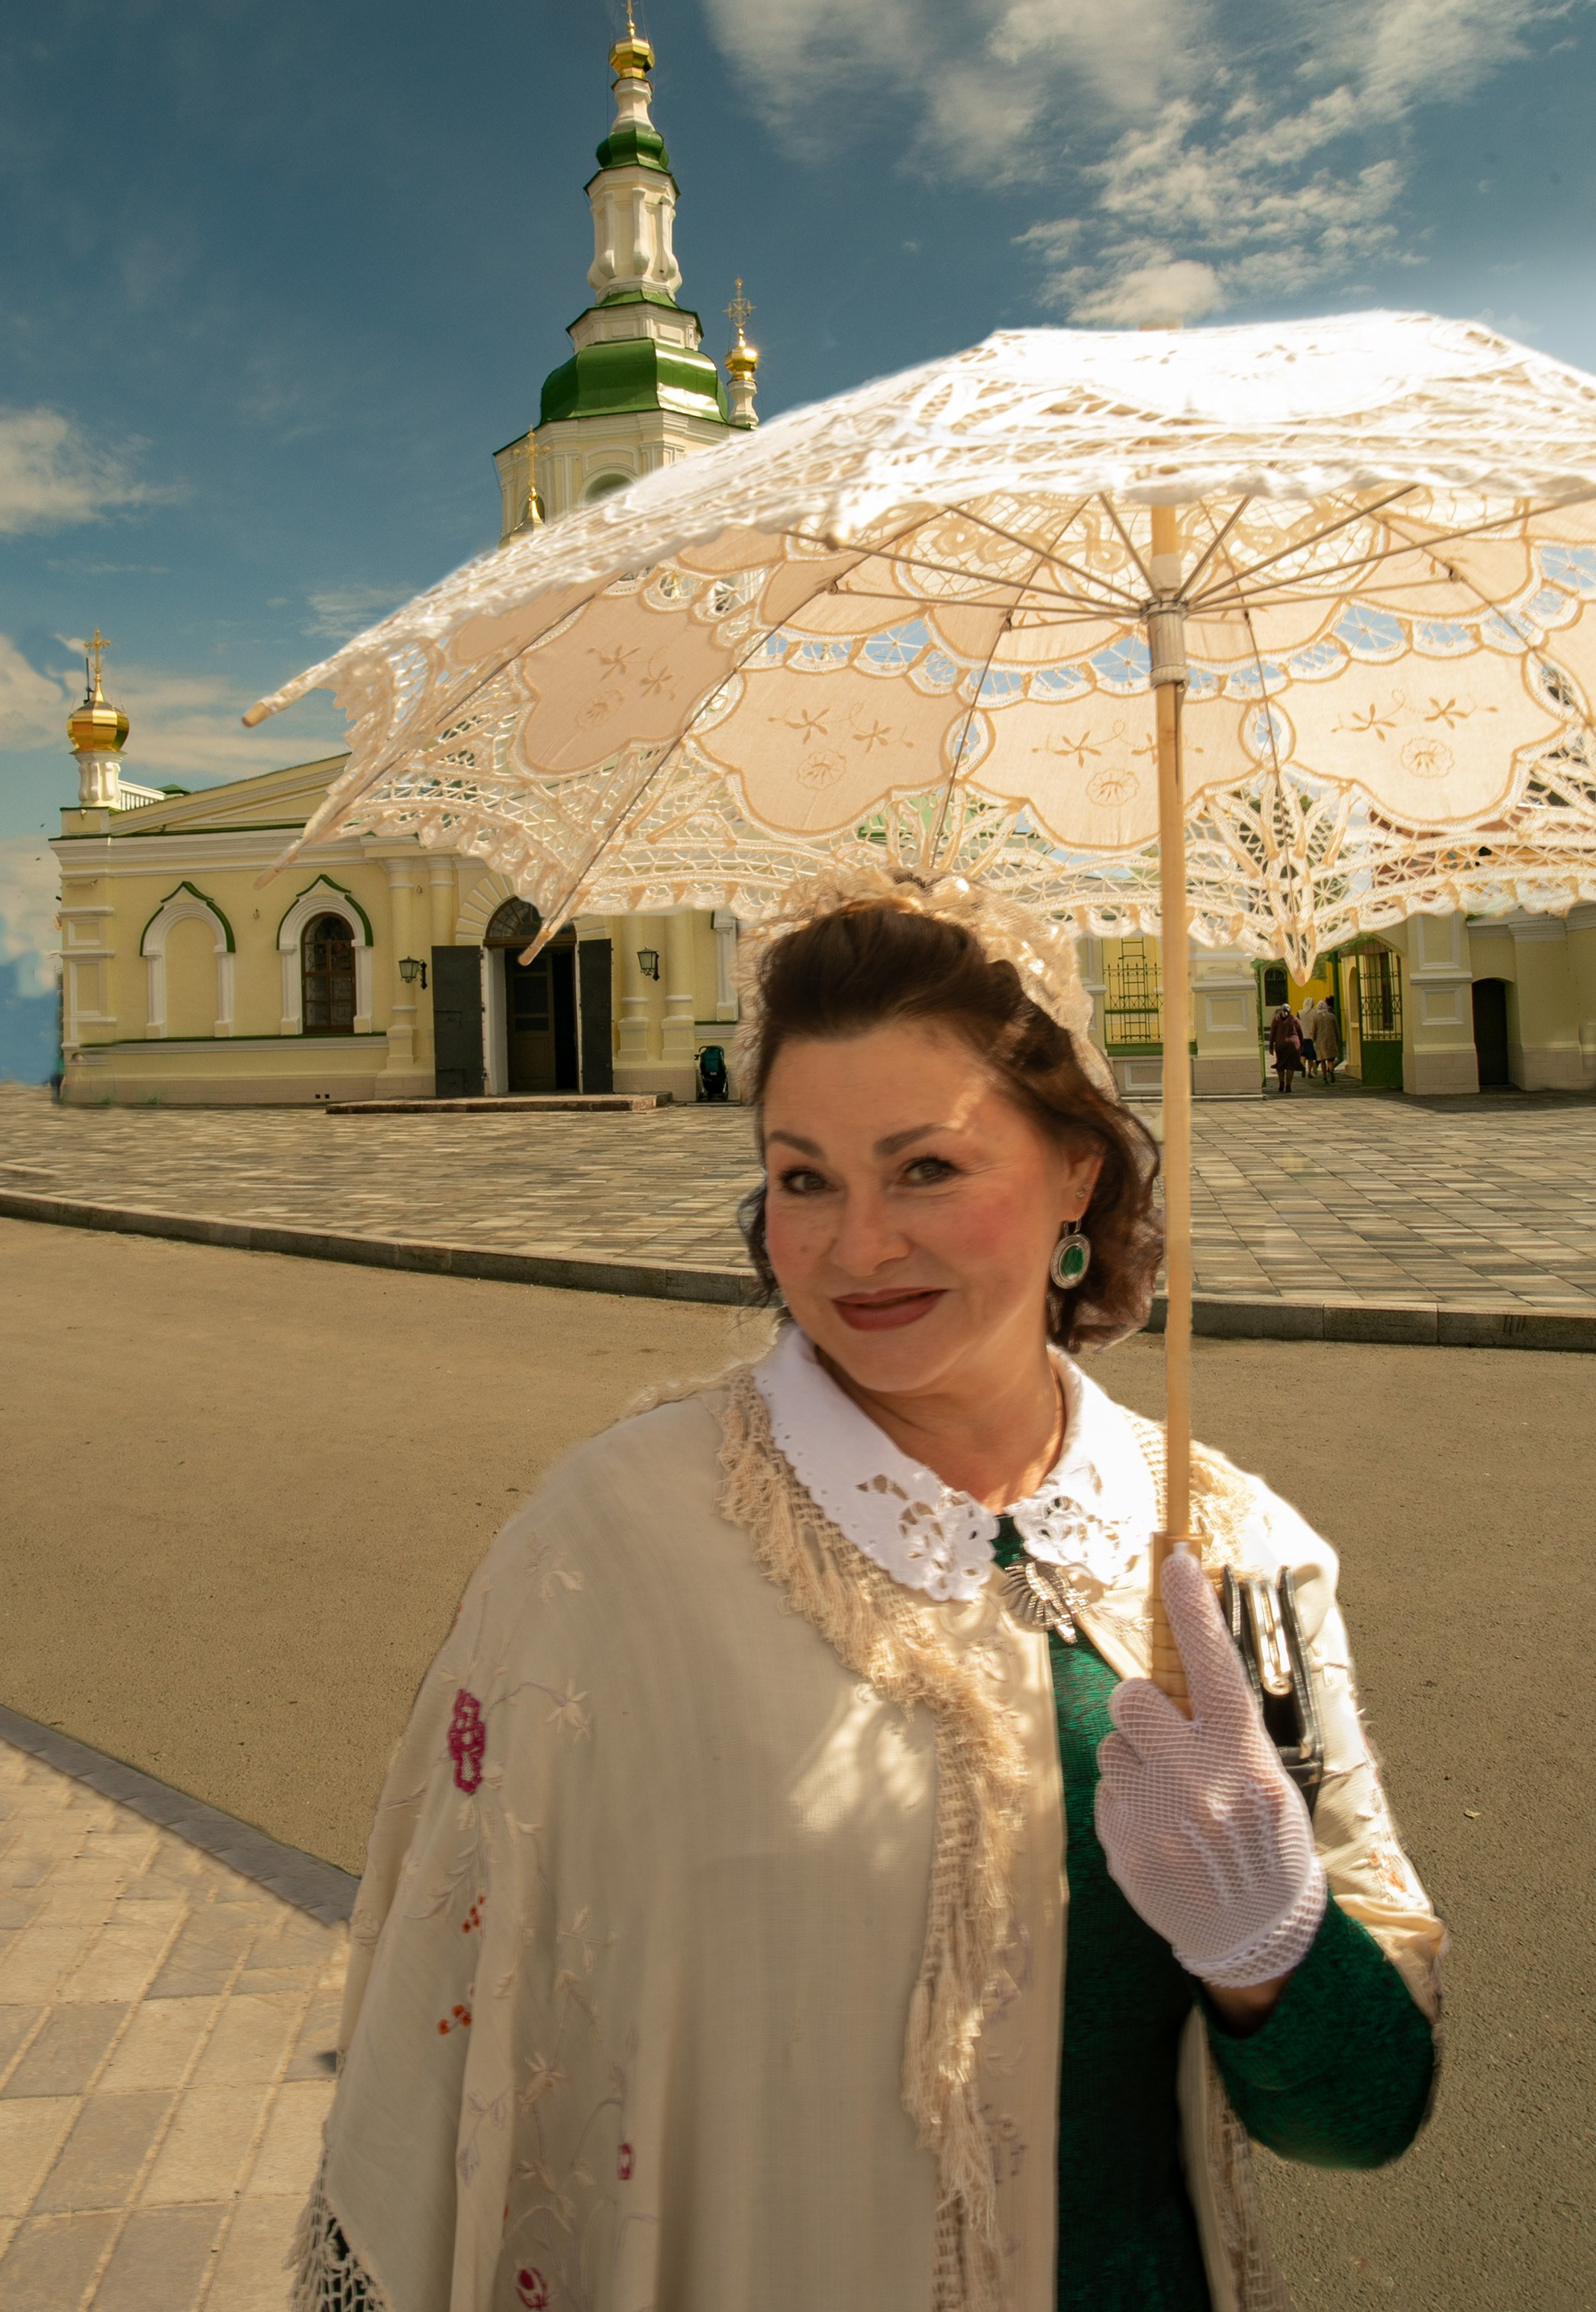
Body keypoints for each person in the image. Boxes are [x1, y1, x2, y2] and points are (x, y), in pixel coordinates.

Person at [295, 872, 1441, 2312]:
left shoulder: (1227, 1552)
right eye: (802, 1176)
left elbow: (1363, 2115)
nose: (854, 1245)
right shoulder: (613, 1544)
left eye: (927, 1168)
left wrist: (1269, 1947)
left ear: (1077, 1173)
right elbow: (458, 2030)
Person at [1268, 1001, 1304, 1094]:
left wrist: (1271, 1046)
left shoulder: (1276, 1020)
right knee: (1290, 1066)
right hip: (1293, 1045)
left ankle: (1281, 1084)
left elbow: (1272, 1034)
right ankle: (1288, 1085)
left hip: (1280, 1045)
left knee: (1280, 1064)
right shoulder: (1294, 1019)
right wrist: (1302, 1045)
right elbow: (1300, 1033)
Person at [1308, 996, 1341, 1084]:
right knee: (1330, 1059)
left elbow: (1313, 1030)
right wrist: (1337, 1039)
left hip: (1320, 1041)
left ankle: (1325, 1078)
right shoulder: (1332, 1016)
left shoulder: (1316, 1017)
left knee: (1322, 1060)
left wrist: (1313, 1039)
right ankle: (1331, 1071)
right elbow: (1336, 1029)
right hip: (1331, 1040)